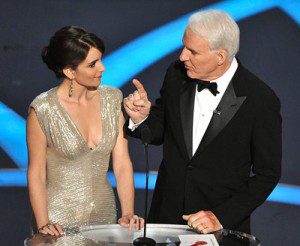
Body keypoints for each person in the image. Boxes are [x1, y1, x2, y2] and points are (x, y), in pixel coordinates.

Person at [124, 10, 281, 234]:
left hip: (218, 230)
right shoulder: (176, 75)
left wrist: (221, 217)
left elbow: (268, 174)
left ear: (220, 56)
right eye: (184, 46)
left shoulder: (260, 99)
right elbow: (160, 130)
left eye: (193, 52)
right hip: (165, 218)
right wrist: (141, 120)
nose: (182, 56)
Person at [27, 26, 143, 240]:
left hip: (105, 216)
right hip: (58, 222)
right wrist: (43, 222)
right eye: (93, 64)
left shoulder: (112, 100)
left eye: (100, 59)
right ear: (70, 71)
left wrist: (128, 212)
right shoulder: (43, 110)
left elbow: (122, 163)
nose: (103, 68)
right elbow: (36, 173)